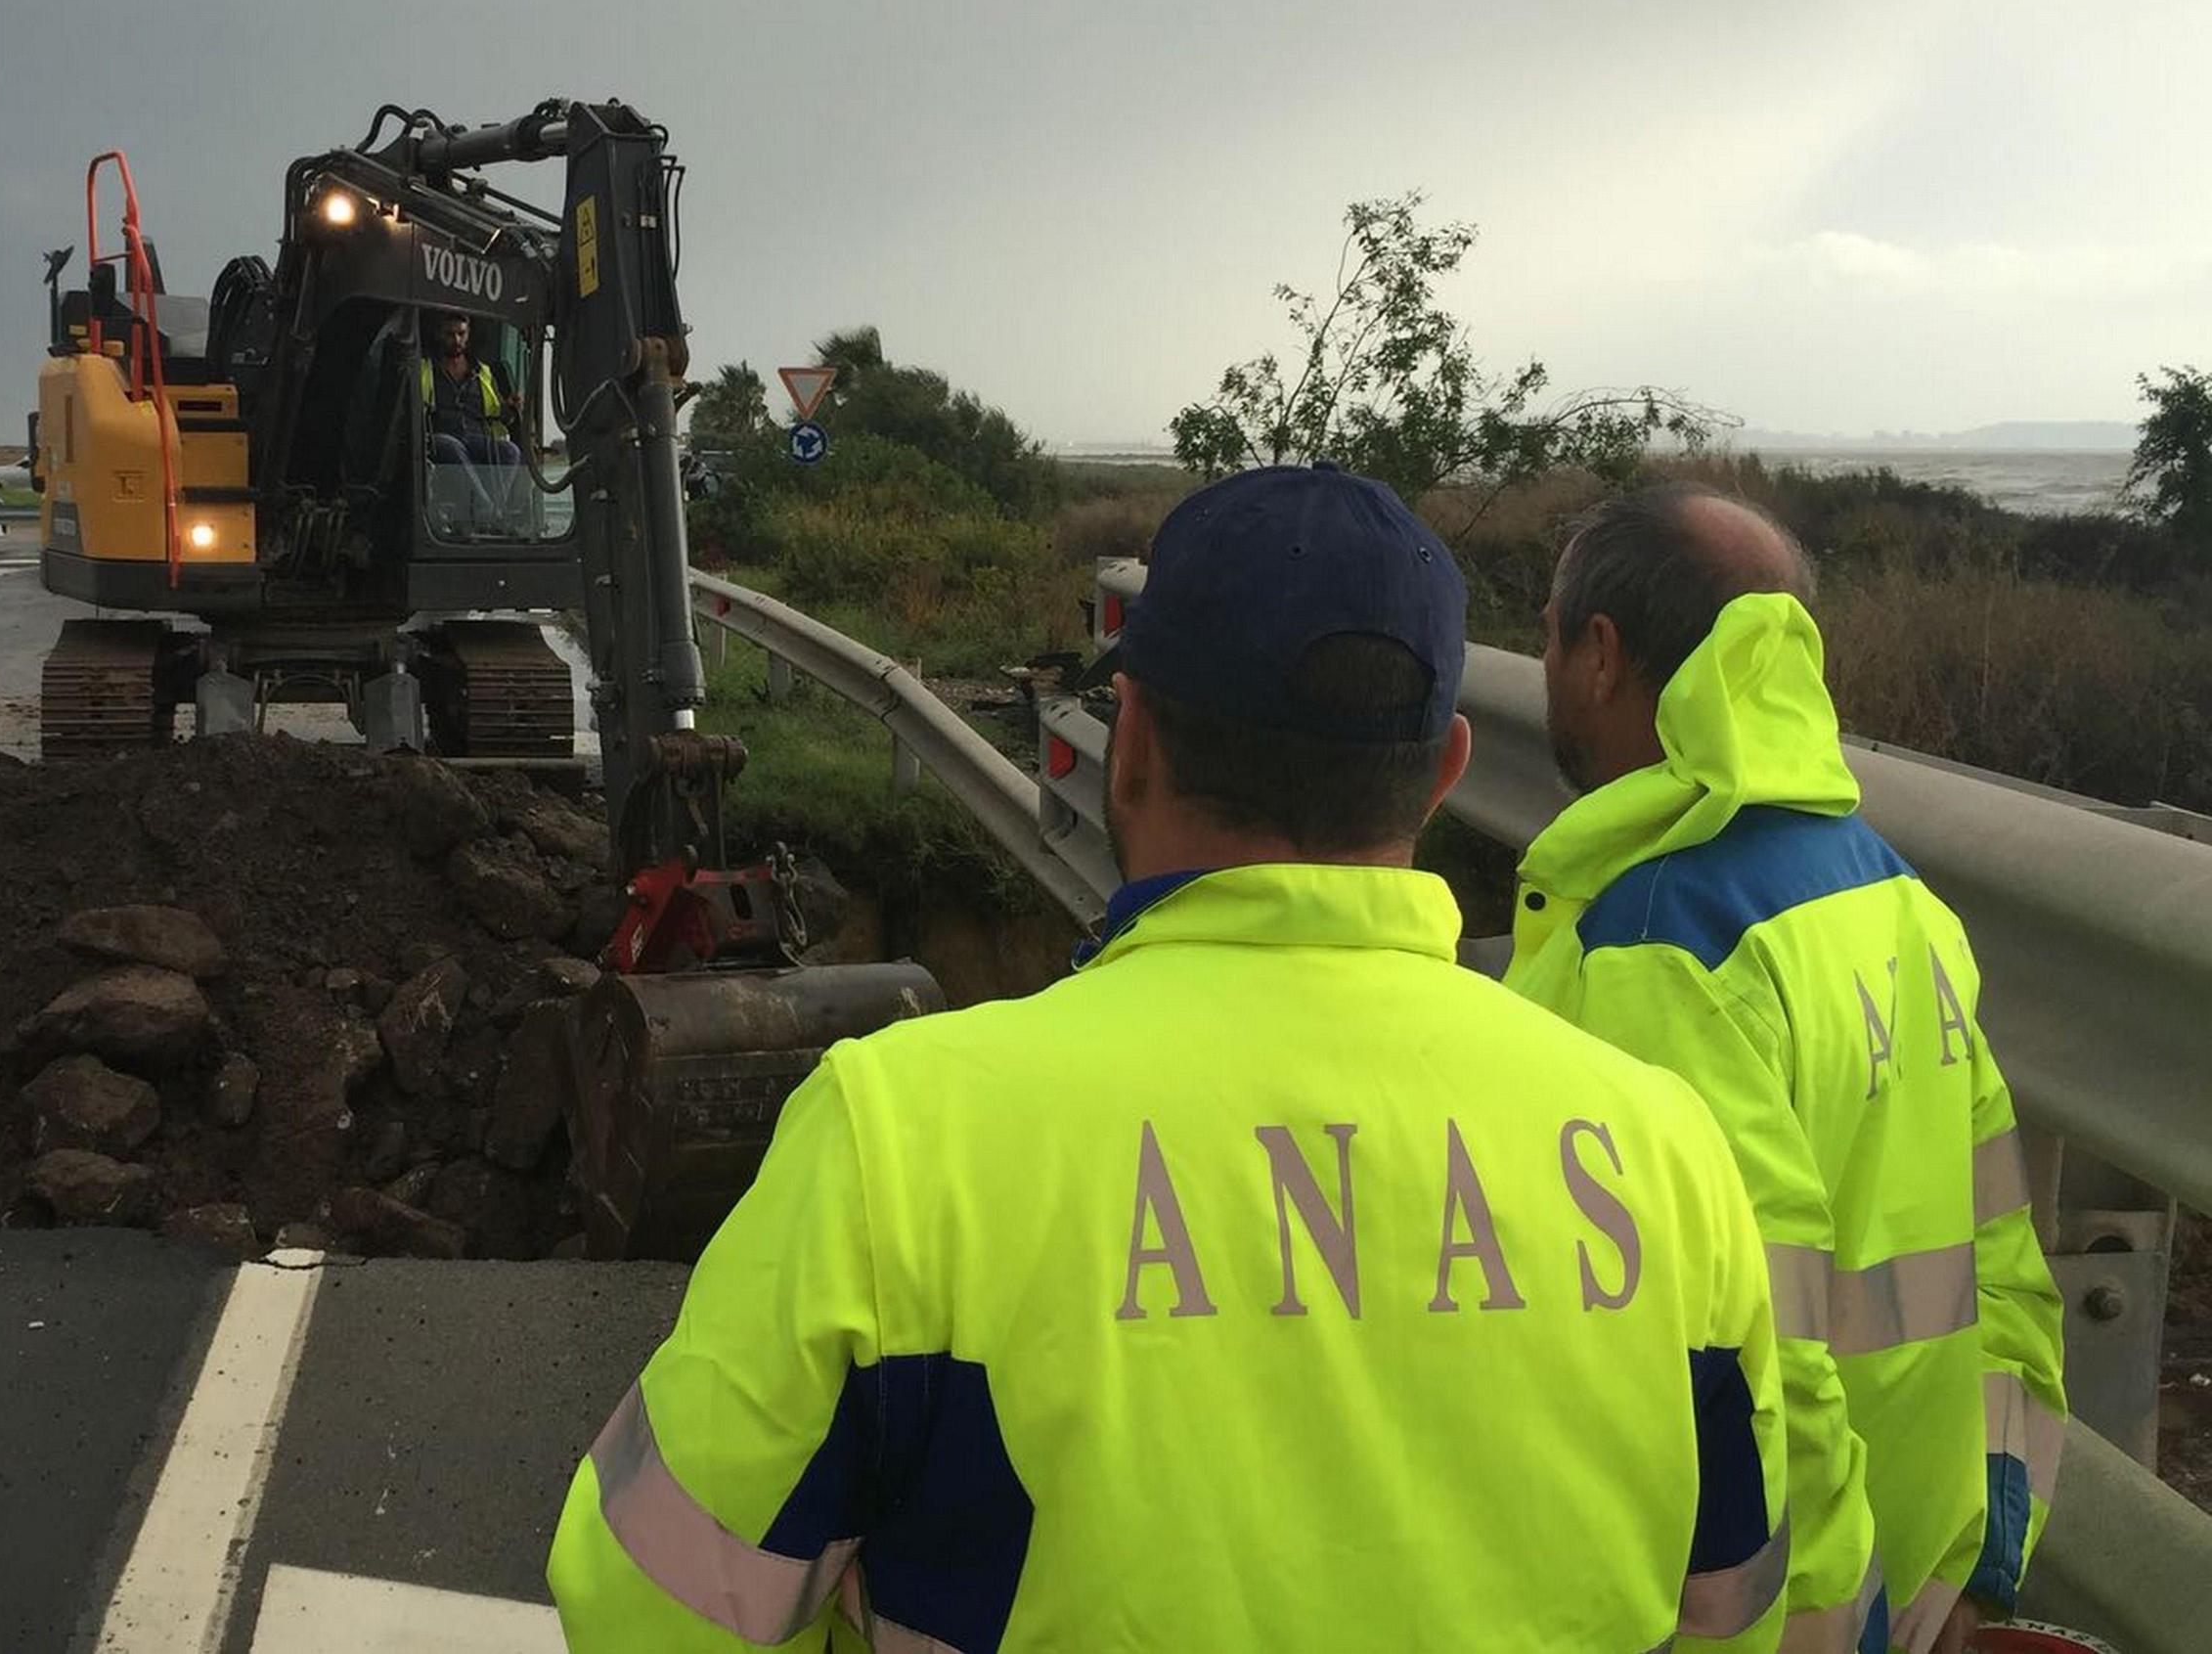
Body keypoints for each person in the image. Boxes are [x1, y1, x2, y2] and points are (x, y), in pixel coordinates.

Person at [549, 465, 1797, 1652]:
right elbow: (1737, 1610)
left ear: (1131, 741)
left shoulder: (902, 1141)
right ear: (1446, 773)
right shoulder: (1666, 1151)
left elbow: (647, 1605)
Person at [1505, 482, 2068, 1653]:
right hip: (1916, 1582)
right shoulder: (1898, 901)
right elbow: (2006, 1270)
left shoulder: (1660, 945)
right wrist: (1975, 1560)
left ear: (1600, 654)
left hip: (1790, 1615)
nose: (1545, 661)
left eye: (1548, 634)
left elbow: (1753, 1365)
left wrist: (1840, 1622)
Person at [420, 311, 520, 470]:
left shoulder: (483, 372)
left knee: (509, 451)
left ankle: (479, 488)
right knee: (451, 447)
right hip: (440, 437)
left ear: (468, 334)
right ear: (438, 334)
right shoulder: (425, 369)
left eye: (461, 334)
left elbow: (502, 415)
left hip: (477, 438)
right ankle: (475, 489)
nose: (456, 340)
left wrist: (511, 407)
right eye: (449, 334)